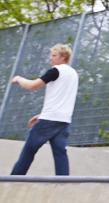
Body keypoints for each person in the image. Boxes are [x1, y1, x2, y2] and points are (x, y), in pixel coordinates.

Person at [9, 43, 80, 176]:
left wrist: (18, 79)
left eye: (54, 55)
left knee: (28, 150)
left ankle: (13, 179)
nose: (50, 58)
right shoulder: (73, 74)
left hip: (49, 120)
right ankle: (64, 183)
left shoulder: (56, 70)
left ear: (63, 57)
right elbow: (62, 98)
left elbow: (31, 86)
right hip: (64, 121)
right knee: (60, 154)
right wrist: (41, 114)